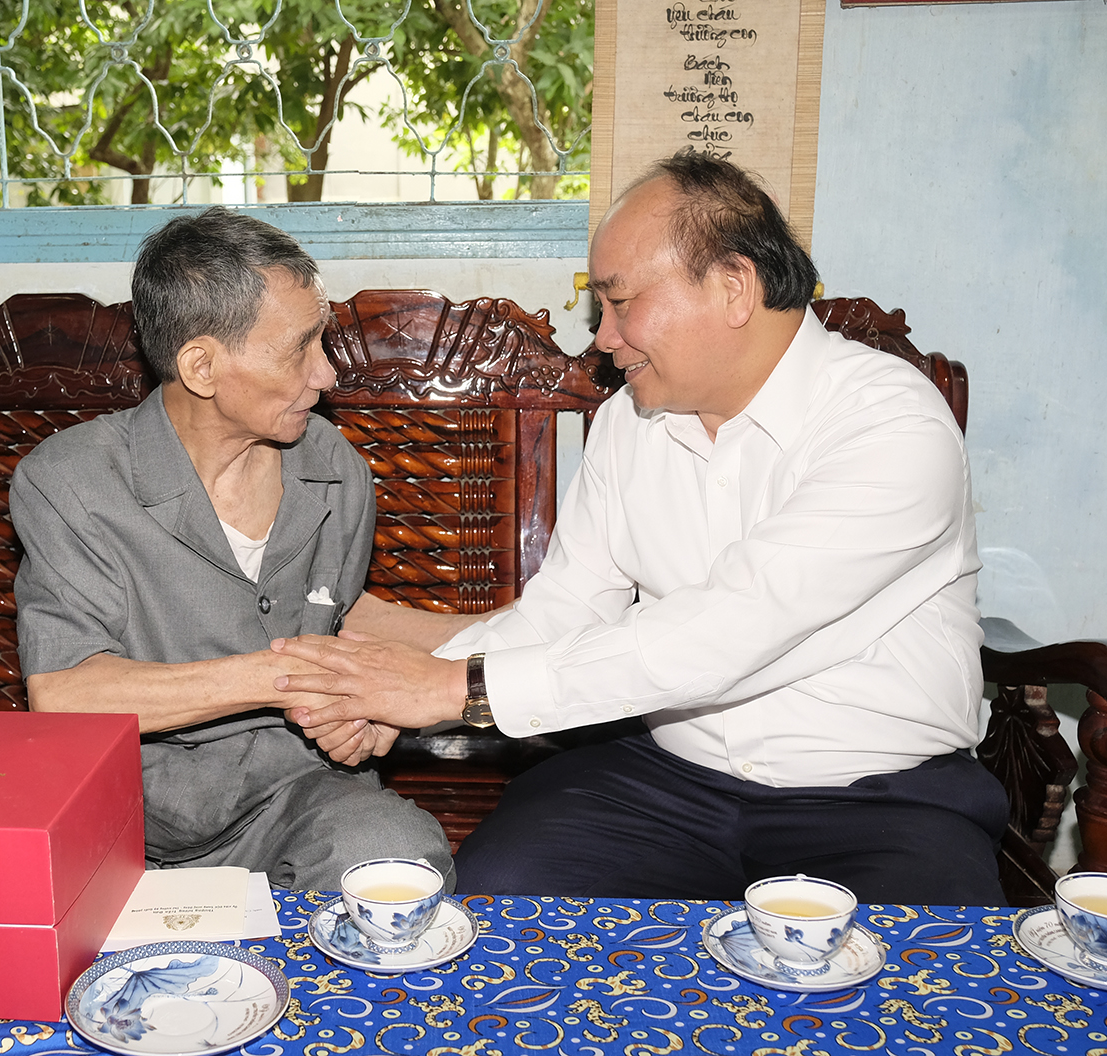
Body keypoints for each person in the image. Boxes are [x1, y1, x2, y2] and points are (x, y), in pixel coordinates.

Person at [272, 152, 1010, 904]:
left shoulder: (891, 422)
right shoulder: (631, 421)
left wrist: (450, 691)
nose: (603, 338)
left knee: (921, 984)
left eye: (620, 303)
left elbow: (727, 629)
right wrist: (390, 701)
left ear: (733, 288)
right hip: (669, 780)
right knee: (504, 897)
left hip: (880, 798)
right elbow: (564, 612)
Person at [9, 207, 453, 890]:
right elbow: (69, 693)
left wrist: (364, 712)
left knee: (394, 855)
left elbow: (331, 615)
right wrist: (300, 680)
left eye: (323, 342)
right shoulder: (71, 482)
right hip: (126, 815)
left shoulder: (333, 469)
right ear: (202, 366)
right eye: (297, 349)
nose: (327, 374)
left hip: (298, 795)